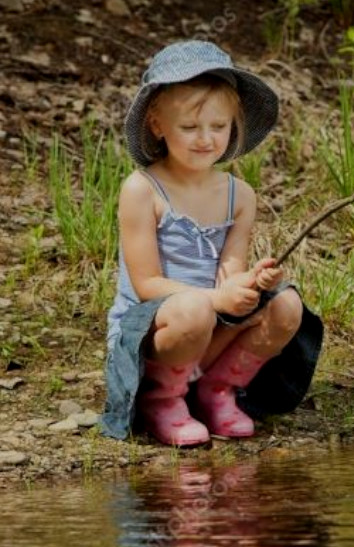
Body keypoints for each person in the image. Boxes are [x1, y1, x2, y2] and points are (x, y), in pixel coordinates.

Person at [101, 41, 323, 446]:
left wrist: (251, 283)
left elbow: (229, 274)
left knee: (285, 302)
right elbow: (147, 283)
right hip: (156, 334)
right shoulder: (142, 190)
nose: (205, 139)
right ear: (157, 125)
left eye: (218, 127)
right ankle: (162, 398)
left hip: (209, 327)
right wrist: (214, 299)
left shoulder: (240, 195)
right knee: (195, 308)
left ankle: (217, 390)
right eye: (189, 127)